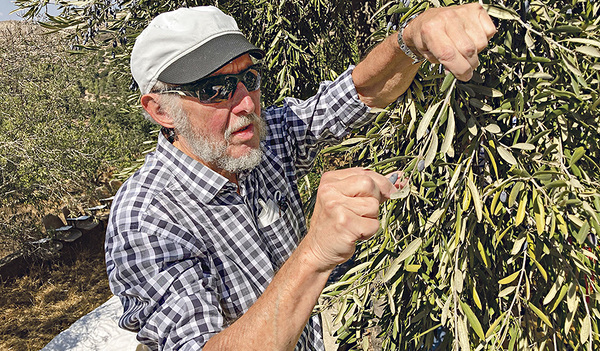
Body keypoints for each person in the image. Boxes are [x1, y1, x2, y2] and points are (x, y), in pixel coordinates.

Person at [105, 4, 496, 350]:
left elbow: (359, 94)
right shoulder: (145, 219)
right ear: (160, 110)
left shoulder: (261, 137)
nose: (246, 103)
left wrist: (412, 40)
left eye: (250, 79)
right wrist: (315, 254)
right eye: (215, 89)